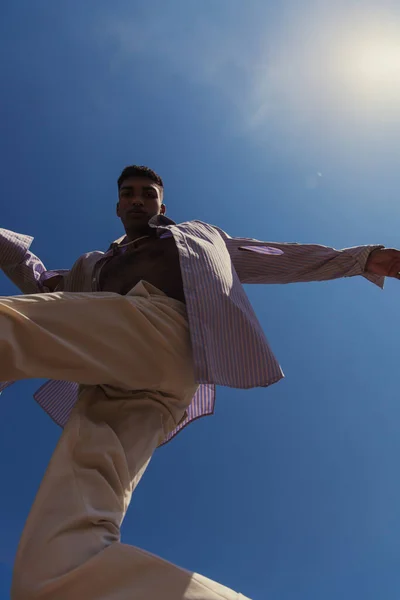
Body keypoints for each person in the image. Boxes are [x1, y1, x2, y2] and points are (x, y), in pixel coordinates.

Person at [1, 165, 399, 600]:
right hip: (128, 386)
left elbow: (273, 256)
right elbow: (37, 278)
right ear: (117, 206)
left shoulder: (198, 236)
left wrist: (359, 259)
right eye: (128, 194)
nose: (137, 200)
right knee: (53, 568)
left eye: (147, 194)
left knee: (9, 328)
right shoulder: (91, 266)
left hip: (167, 335)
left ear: (161, 205)